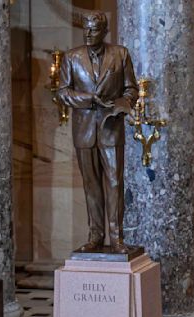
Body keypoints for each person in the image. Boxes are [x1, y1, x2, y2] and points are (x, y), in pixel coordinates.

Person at [58, 11, 138, 254]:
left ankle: (117, 238)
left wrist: (121, 105)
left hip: (111, 128)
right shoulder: (71, 58)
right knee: (91, 185)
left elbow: (131, 89)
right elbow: (62, 92)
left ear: (104, 31)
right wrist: (89, 98)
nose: (88, 33)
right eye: (86, 29)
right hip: (84, 131)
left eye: (93, 29)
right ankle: (95, 236)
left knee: (115, 183)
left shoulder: (120, 54)